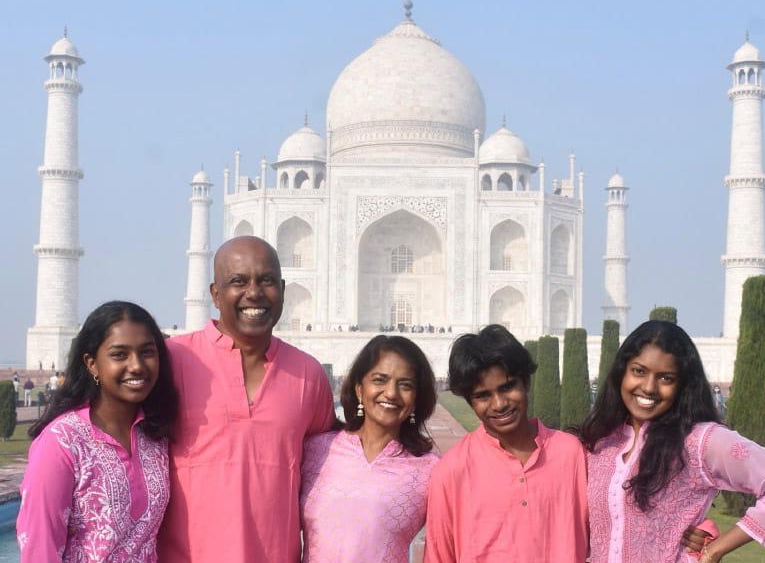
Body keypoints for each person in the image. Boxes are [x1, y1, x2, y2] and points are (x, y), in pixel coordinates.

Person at [157, 236, 335, 562]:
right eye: (238, 281)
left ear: (282, 288)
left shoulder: (308, 375)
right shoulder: (174, 360)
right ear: (215, 294)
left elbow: (330, 470)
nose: (254, 292)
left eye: (266, 280)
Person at [579, 320, 765, 562]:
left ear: (682, 385)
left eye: (666, 378)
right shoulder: (600, 443)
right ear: (621, 372)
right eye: (639, 371)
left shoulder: (698, 442)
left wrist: (713, 550)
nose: (649, 387)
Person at [16, 301, 178, 561]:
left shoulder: (154, 436)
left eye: (147, 352)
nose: (136, 365)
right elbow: (39, 547)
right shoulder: (63, 442)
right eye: (119, 354)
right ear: (92, 364)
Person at [424, 324, 589, 562]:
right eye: (483, 395)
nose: (499, 403)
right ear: (470, 401)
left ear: (526, 383)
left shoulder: (570, 454)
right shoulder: (452, 471)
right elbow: (439, 556)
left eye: (508, 387)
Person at [300, 335, 439, 562]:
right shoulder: (316, 450)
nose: (391, 393)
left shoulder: (430, 469)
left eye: (405, 385)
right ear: (359, 389)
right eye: (379, 380)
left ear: (415, 399)